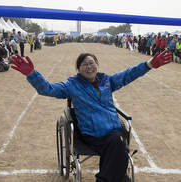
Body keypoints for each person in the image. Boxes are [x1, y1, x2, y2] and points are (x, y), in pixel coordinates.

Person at [10, 50, 172, 182]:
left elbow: (128, 74)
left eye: (91, 63)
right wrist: (32, 74)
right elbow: (48, 89)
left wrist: (148, 65)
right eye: (84, 64)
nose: (89, 67)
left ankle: (109, 179)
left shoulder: (107, 81)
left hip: (112, 133)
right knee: (119, 146)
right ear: (79, 69)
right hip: (92, 135)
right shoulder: (72, 85)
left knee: (117, 144)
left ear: (97, 65)